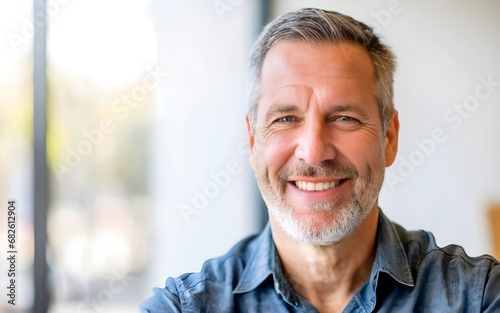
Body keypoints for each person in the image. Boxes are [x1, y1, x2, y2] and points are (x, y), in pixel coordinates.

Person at [140, 8, 500, 312]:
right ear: (253, 142)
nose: (313, 151)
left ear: (389, 138)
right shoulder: (185, 307)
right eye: (285, 119)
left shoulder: (478, 298)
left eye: (344, 118)